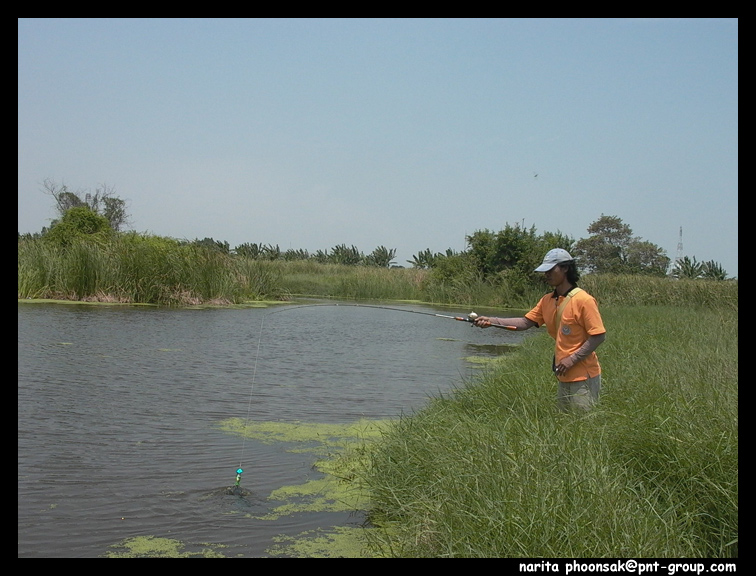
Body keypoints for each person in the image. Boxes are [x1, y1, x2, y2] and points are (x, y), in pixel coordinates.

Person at [473, 248, 606, 411]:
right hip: (563, 374)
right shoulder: (547, 300)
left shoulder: (584, 300)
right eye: (545, 271)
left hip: (584, 375)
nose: (547, 275)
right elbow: (524, 323)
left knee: (583, 423)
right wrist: (491, 321)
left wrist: (572, 359)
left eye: (551, 270)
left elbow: (598, 336)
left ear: (565, 268)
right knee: (565, 424)